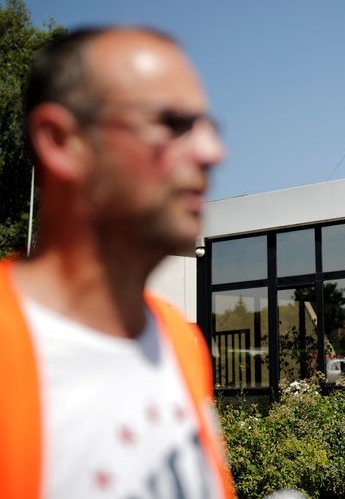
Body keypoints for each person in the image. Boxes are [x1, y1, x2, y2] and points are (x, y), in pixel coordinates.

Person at [0, 27, 234, 498]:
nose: (212, 153)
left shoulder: (181, 342)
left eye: (208, 127)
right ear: (62, 141)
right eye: (172, 123)